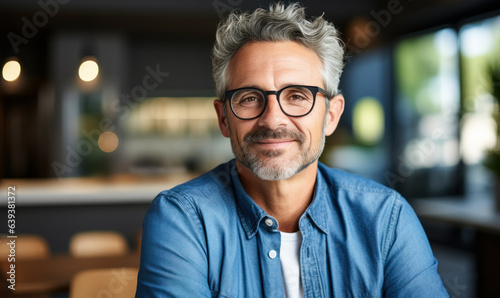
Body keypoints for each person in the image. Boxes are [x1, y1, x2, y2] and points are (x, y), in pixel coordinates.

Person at [136, 3, 448, 297]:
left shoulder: (386, 219)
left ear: (331, 115)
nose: (272, 119)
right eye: (249, 98)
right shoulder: (184, 220)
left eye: (297, 96)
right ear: (223, 118)